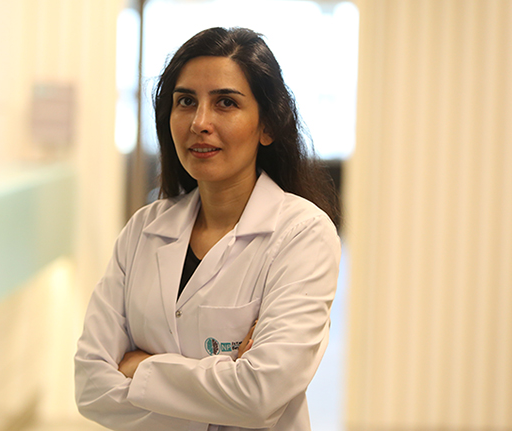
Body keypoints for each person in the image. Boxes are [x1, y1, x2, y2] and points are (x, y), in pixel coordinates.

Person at [75, 27, 341, 431]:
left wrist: (140, 367)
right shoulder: (143, 230)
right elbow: (90, 387)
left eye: (226, 103)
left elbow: (259, 395)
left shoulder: (302, 234)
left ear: (267, 126)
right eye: (186, 101)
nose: (200, 122)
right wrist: (222, 385)